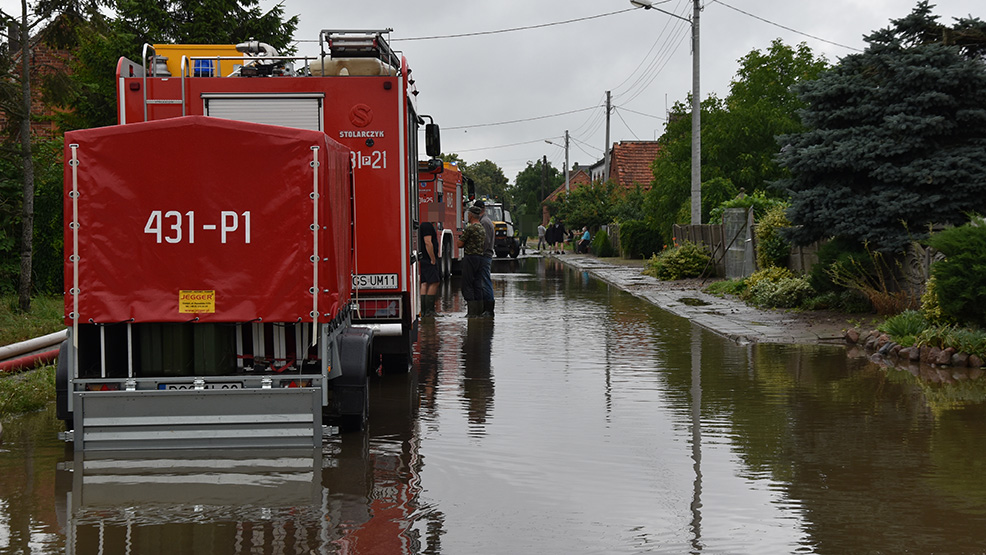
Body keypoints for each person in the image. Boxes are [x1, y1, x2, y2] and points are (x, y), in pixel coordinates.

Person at [457, 206, 486, 316]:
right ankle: (478, 312)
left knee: (467, 285)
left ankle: (472, 313)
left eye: (468, 214)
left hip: (470, 258)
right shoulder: (481, 228)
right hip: (480, 258)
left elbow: (459, 244)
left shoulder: (470, 228)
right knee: (477, 284)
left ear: (471, 215)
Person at [474, 200, 495, 316]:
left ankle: (489, 309)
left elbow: (485, 241)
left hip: (484, 256)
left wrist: (478, 253)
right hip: (485, 255)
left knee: (485, 282)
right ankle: (486, 308)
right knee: (484, 281)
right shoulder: (484, 221)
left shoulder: (484, 222)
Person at [418, 221, 440, 315]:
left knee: (424, 283)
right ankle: (429, 310)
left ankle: (423, 310)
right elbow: (428, 242)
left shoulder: (423, 225)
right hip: (428, 259)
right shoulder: (427, 226)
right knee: (435, 282)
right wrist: (433, 258)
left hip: (423, 259)